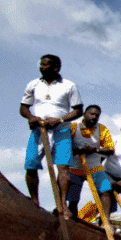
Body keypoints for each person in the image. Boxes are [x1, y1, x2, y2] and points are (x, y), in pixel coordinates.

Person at [21, 54, 83, 218]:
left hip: (61, 131)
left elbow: (78, 110)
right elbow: (24, 108)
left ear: (56, 68)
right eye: (41, 64)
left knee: (63, 167)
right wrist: (31, 117)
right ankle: (35, 201)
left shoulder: (69, 86)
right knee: (30, 165)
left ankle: (62, 205)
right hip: (38, 131)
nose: (41, 67)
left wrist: (59, 120)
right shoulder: (33, 84)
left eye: (46, 65)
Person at [65, 105, 115, 221]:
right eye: (91, 114)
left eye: (97, 115)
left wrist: (95, 150)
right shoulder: (73, 127)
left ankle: (106, 221)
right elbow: (65, 148)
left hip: (95, 167)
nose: (94, 117)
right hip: (75, 168)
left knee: (106, 190)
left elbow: (110, 149)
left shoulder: (101, 129)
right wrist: (79, 150)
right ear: (84, 114)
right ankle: (72, 220)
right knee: (73, 199)